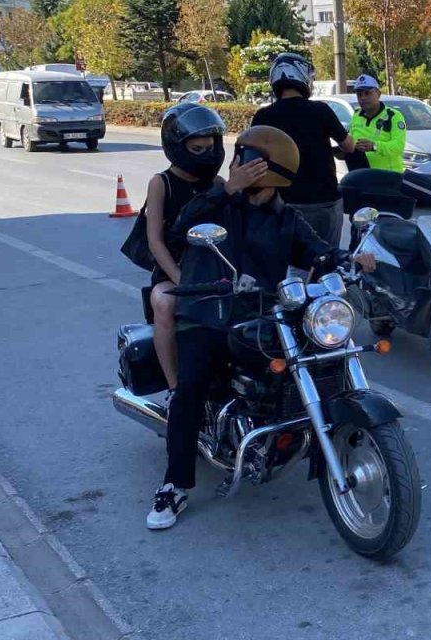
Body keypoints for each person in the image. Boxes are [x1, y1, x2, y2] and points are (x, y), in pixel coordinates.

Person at [147, 125, 377, 530]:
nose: (234, 165)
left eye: (242, 159)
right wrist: (227, 189)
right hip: (206, 312)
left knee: (319, 358)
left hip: (261, 317)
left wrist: (350, 260)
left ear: (265, 169)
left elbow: (318, 253)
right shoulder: (216, 204)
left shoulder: (286, 218)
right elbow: (182, 227)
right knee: (191, 387)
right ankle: (174, 484)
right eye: (237, 160)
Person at [145, 103, 227, 392]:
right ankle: (174, 387)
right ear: (178, 146)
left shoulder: (219, 183)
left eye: (210, 146)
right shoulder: (161, 184)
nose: (206, 154)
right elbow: (154, 240)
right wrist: (181, 280)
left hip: (216, 269)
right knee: (164, 303)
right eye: (197, 148)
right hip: (175, 273)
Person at [251, 53, 357, 249]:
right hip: (323, 201)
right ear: (303, 77)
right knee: (326, 263)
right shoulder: (320, 110)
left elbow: (250, 157)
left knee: (286, 266)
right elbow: (348, 146)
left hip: (280, 201)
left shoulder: (263, 115)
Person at [348, 74, 407, 173]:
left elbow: (398, 146)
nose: (363, 98)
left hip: (388, 177)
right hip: (361, 176)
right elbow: (351, 140)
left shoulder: (393, 116)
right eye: (359, 94)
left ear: (378, 94)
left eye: (367, 93)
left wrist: (374, 146)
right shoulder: (356, 115)